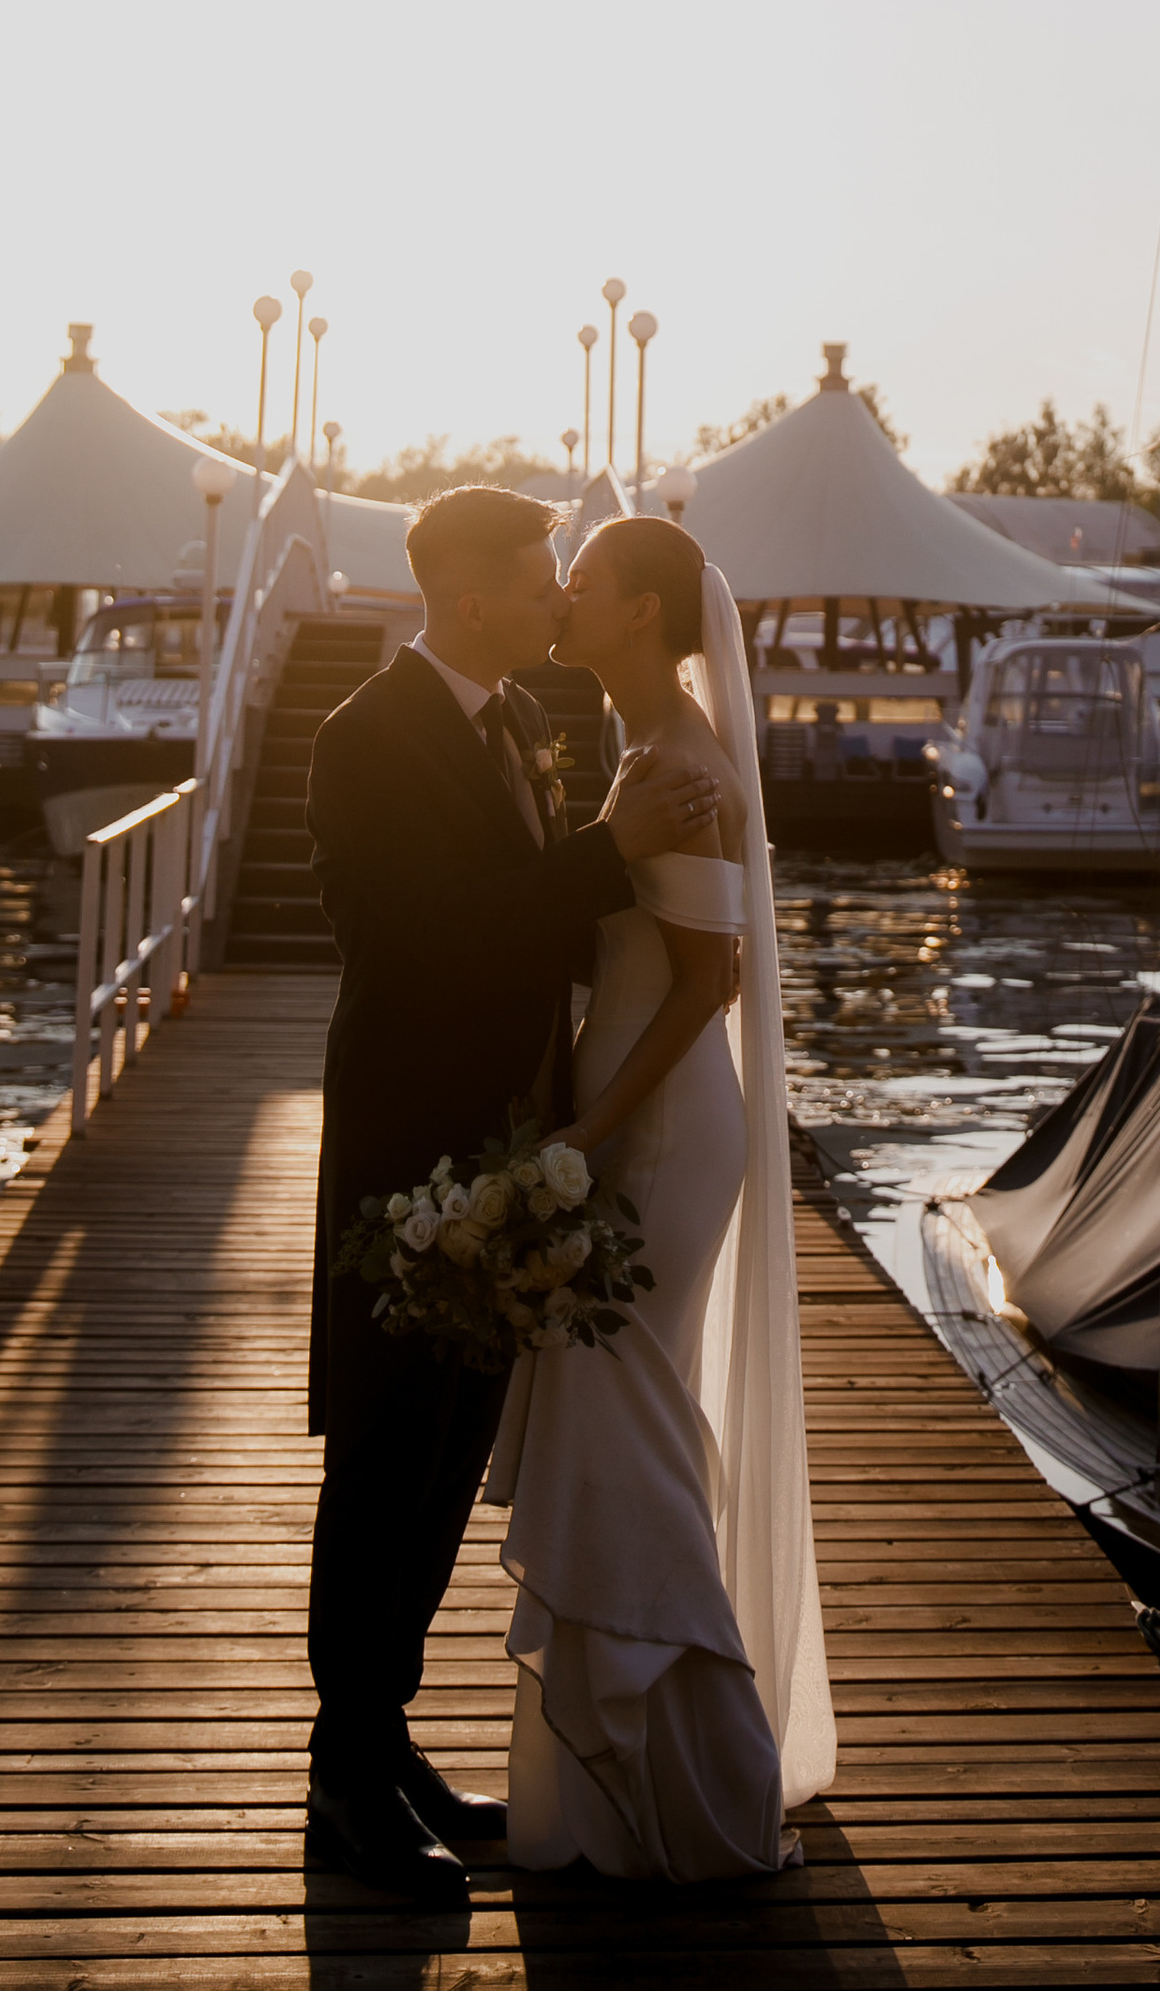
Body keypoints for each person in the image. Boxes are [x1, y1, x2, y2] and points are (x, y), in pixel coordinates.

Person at [303, 484, 722, 1893]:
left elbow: (556, 920)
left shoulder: (525, 728)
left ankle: (389, 1734)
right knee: (379, 1461)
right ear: (470, 596)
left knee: (444, 1458)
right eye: (541, 573)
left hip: (510, 1146)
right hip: (407, 1152)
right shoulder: (365, 740)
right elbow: (420, 941)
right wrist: (612, 849)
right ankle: (343, 1785)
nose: (557, 595)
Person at [487, 514, 836, 1878]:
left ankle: (704, 1774)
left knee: (623, 1416)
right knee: (626, 1423)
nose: (559, 601)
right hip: (628, 1119)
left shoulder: (684, 765)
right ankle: (630, 1773)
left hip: (663, 1136)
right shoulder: (645, 750)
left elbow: (709, 987)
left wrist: (582, 1130)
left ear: (641, 613)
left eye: (583, 585)